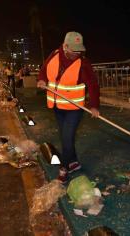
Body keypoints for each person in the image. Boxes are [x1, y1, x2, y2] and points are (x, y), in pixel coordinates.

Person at [37, 31, 100, 183]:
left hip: (75, 109)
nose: (77, 53)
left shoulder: (83, 63)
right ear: (65, 46)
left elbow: (93, 85)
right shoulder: (54, 54)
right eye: (74, 50)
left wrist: (94, 106)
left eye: (79, 50)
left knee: (67, 137)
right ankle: (74, 163)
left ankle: (64, 168)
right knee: (66, 137)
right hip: (57, 106)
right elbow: (44, 70)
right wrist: (41, 80)